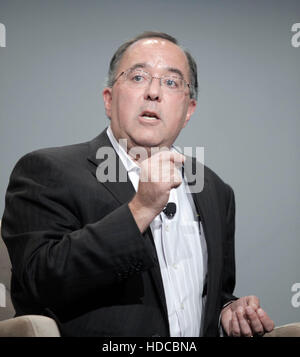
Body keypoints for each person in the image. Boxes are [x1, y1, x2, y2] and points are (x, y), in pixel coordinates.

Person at [1, 31, 274, 337]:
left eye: (171, 82)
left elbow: (214, 293)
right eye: (138, 77)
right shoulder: (47, 171)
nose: (154, 92)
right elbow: (38, 285)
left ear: (188, 110)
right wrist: (140, 209)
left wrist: (229, 310)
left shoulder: (214, 190)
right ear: (109, 99)